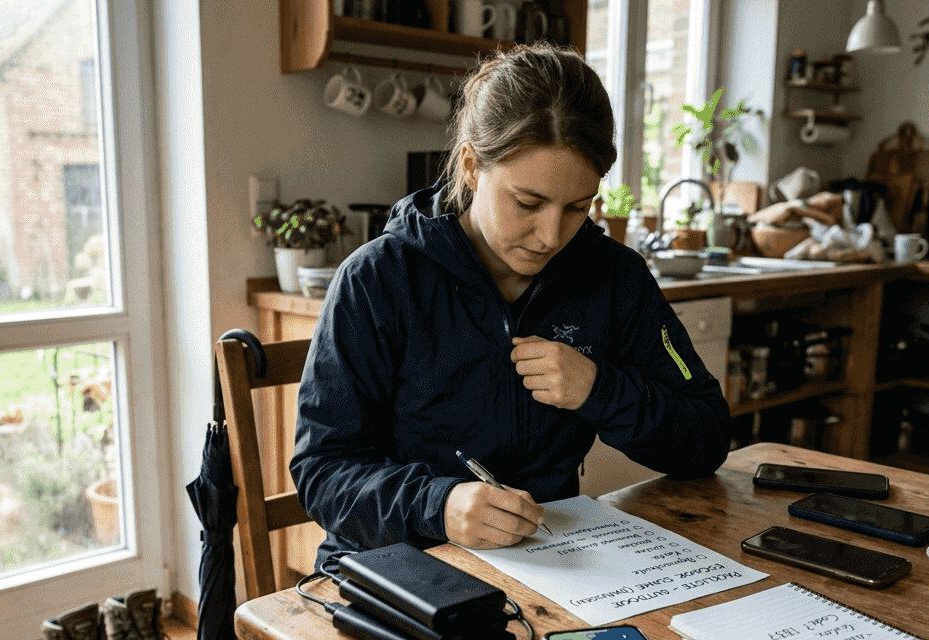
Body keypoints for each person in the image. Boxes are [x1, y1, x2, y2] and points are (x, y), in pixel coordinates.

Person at [291, 43, 729, 570]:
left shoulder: (616, 278)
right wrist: (441, 505)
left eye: (577, 207)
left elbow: (706, 439)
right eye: (528, 203)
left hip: (555, 562)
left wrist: (600, 389)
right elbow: (323, 472)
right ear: (472, 166)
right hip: (395, 565)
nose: (550, 236)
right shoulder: (378, 279)